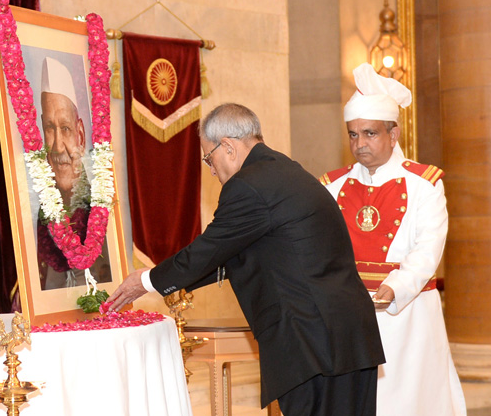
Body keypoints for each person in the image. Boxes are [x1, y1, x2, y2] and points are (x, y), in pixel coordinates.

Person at [107, 103, 384, 415]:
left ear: (227, 146)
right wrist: (171, 281)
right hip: (348, 335)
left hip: (313, 343)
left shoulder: (249, 185)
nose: (211, 170)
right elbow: (235, 256)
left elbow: (209, 249)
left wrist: (145, 281)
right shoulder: (287, 171)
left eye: (208, 158)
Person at [319, 63, 466, 415]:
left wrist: (397, 286)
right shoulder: (331, 185)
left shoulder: (425, 183)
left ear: (394, 133)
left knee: (409, 401)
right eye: (353, 134)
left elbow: (429, 247)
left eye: (369, 134)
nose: (360, 144)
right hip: (351, 315)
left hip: (409, 315)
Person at [34, 57, 111, 289]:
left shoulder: (100, 206)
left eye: (65, 129)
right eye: (49, 128)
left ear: (80, 134)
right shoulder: (35, 207)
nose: (57, 146)